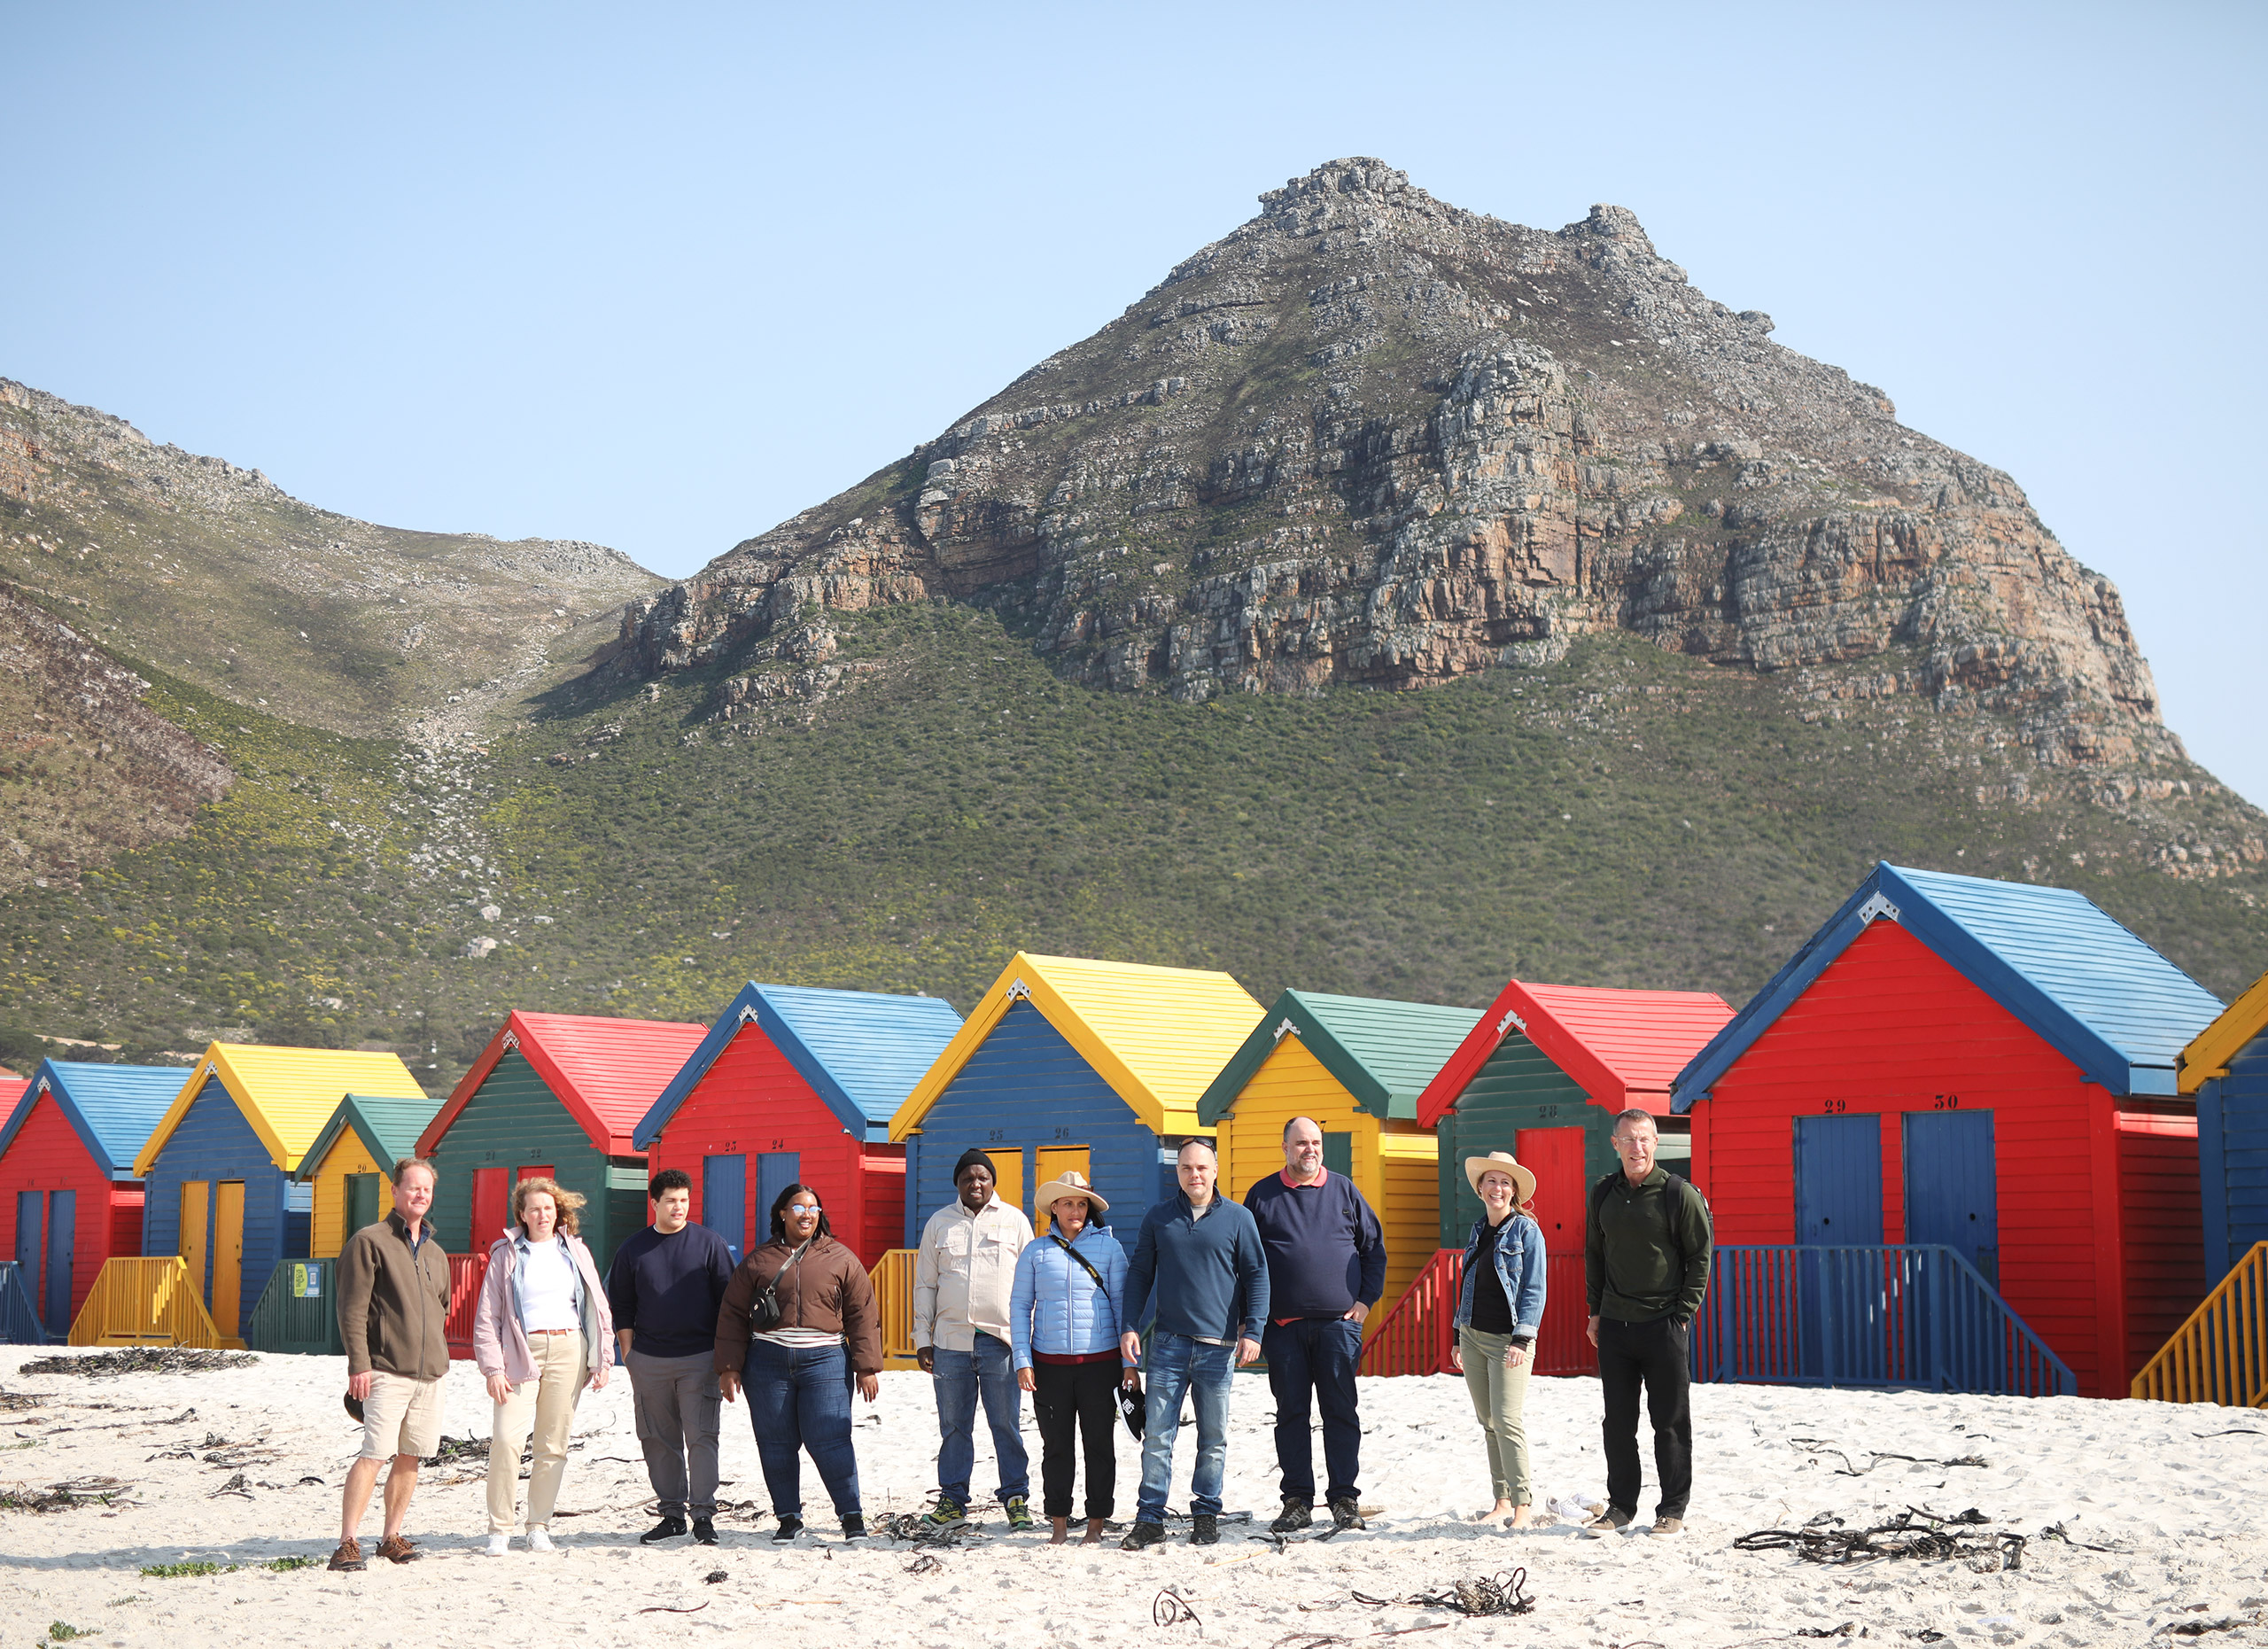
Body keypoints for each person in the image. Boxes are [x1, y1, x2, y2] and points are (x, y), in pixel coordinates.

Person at [1117, 1138, 1270, 1550]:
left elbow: (1257, 1275)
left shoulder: (1238, 1218)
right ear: (1178, 1172)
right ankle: (1149, 1517)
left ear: (1215, 1169)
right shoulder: (1159, 1218)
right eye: (1186, 1168)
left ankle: (1206, 1513)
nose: (1194, 1175)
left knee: (1213, 1436)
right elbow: (1139, 1275)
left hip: (1218, 1348)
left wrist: (1253, 1330)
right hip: (1167, 1345)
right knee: (1157, 1436)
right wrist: (1130, 1326)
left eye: (1202, 1167)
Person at [1243, 1116, 1386, 1536]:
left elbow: (1374, 1250)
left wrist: (1363, 1304)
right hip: (1283, 1327)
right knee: (1291, 1414)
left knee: (1341, 1412)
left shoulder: (1344, 1190)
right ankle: (1297, 1501)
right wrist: (1251, 1321)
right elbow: (1246, 1263)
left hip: (1338, 1327)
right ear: (1284, 1147)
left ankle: (1343, 1498)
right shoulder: (1262, 1196)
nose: (1310, 1149)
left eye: (1316, 1143)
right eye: (1301, 1143)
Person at [717, 1182, 882, 1543]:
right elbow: (731, 1314)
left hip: (825, 1361)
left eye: (813, 1208)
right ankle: (788, 1518)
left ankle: (852, 1517)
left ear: (820, 1215)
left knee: (831, 1439)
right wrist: (730, 1366)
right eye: (797, 1207)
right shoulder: (759, 1260)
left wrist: (866, 1366)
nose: (806, 1214)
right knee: (775, 1443)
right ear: (782, 1213)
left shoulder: (841, 1258)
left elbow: (863, 1314)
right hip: (767, 1362)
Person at [1584, 1108, 1713, 1536]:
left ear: (1655, 1143)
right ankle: (1621, 1507)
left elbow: (1700, 1256)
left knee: (1670, 1422)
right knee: (1617, 1422)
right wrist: (1595, 1311)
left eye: (1644, 1139)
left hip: (1664, 1326)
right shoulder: (1602, 1194)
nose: (1636, 1148)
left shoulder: (1680, 1194)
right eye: (1628, 1139)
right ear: (1614, 1144)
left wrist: (1683, 1314)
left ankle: (1672, 1509)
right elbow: (1595, 1256)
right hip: (1616, 1326)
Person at [471, 1175, 616, 1555]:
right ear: (521, 1214)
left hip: (569, 1348)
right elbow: (487, 1316)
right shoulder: (506, 1254)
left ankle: (538, 1526)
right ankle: (499, 1528)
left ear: (558, 1212)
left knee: (553, 1445)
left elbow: (598, 1307)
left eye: (548, 1208)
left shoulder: (576, 1251)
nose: (542, 1215)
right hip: (521, 1350)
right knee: (506, 1440)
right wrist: (492, 1368)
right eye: (534, 1208)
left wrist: (602, 1357)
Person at [330, 1155, 450, 1572]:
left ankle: (390, 1537)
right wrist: (358, 1366)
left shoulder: (436, 1253)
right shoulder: (369, 1241)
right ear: (395, 1191)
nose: (420, 1194)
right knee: (374, 1453)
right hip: (383, 1370)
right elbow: (351, 1309)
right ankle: (348, 1541)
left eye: (427, 1189)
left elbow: (442, 1309)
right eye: (413, 1187)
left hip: (430, 1375)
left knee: (411, 1456)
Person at [606, 1167, 736, 1546]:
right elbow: (623, 1306)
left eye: (684, 1200)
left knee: (701, 1438)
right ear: (654, 1204)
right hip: (649, 1360)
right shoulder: (633, 1248)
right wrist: (630, 1356)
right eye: (671, 1201)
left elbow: (727, 1305)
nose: (679, 1207)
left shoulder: (709, 1244)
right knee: (658, 1441)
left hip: (700, 1359)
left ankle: (704, 1516)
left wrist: (725, 1360)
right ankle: (672, 1514)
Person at [1007, 1169, 1136, 1544]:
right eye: (1067, 1203)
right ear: (1054, 1207)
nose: (1075, 1210)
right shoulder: (1035, 1251)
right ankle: (1059, 1525)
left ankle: (1096, 1524)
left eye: (1081, 1203)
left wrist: (1129, 1364)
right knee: (1056, 1448)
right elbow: (1019, 1306)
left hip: (1101, 1364)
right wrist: (1022, 1359)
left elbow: (1123, 1307)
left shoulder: (1110, 1248)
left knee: (1099, 1446)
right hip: (1048, 1367)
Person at [912, 1147, 1035, 1531]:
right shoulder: (939, 1223)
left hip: (1000, 1342)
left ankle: (1015, 1498)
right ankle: (952, 1501)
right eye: (968, 1178)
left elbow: (1030, 1284)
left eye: (982, 1177)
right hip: (950, 1344)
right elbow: (925, 1285)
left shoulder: (1015, 1221)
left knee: (1005, 1424)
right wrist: (922, 1336)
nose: (976, 1183)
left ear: (993, 1181)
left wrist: (1027, 1343)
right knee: (953, 1426)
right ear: (958, 1184)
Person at [1449, 1151, 1548, 1528]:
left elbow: (1534, 1290)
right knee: (1488, 1420)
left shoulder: (1526, 1231)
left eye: (1505, 1182)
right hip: (1473, 1337)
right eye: (1491, 1180)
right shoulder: (1478, 1229)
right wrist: (1458, 1335)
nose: (1498, 1188)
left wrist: (1522, 1340)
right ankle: (1502, 1500)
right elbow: (1467, 1286)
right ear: (1480, 1187)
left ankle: (1523, 1505)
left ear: (1515, 1191)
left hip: (1510, 1340)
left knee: (1507, 1420)